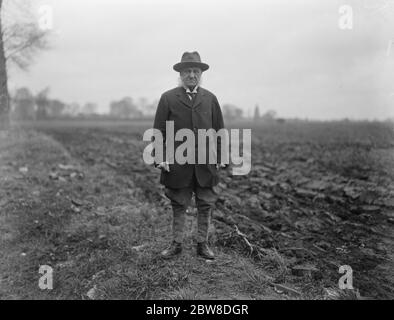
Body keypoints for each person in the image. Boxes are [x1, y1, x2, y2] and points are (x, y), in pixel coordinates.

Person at [153, 51, 227, 260]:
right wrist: (160, 158)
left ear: (201, 74)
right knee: (178, 203)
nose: (192, 75)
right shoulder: (168, 98)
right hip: (177, 162)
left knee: (206, 203)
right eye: (187, 71)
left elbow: (219, 130)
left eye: (195, 71)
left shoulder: (210, 99)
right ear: (181, 74)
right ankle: (176, 244)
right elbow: (158, 131)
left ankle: (202, 245)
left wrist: (220, 156)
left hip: (206, 162)